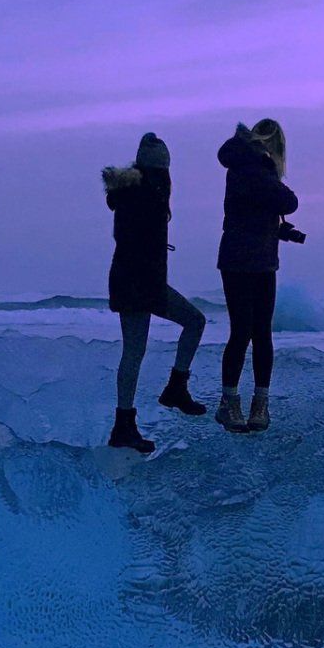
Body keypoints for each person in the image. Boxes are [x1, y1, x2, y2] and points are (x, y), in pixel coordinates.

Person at [102, 132, 208, 454]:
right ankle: (164, 396)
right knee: (192, 322)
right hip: (141, 283)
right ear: (161, 169)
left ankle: (133, 417)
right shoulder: (147, 193)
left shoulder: (134, 191)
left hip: (134, 280)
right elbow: (140, 243)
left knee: (137, 350)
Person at [215, 118, 304, 433]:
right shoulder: (253, 166)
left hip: (249, 258)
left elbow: (250, 212)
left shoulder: (242, 167)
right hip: (249, 262)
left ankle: (242, 404)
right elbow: (288, 201)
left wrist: (277, 231)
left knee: (247, 332)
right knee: (251, 333)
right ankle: (248, 405)